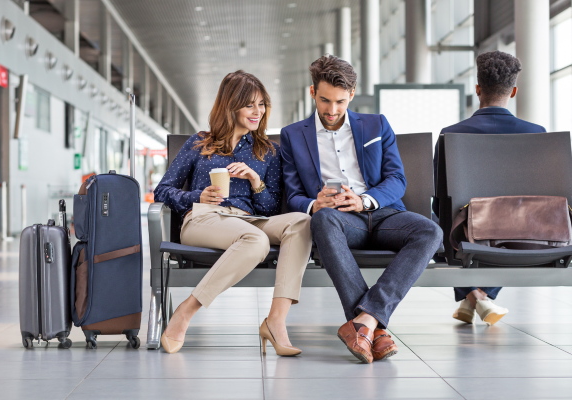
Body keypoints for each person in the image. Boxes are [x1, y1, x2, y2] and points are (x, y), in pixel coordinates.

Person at [280, 55, 442, 364]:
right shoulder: (293, 134)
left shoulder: (376, 124)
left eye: (340, 101)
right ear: (312, 92)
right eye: (325, 100)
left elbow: (397, 179)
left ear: (351, 94)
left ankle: (364, 323)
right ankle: (374, 327)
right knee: (323, 219)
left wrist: (365, 200)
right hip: (339, 221)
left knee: (430, 230)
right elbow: (293, 195)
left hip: (383, 215)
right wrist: (315, 203)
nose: (332, 110)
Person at [154, 71, 312, 356]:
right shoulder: (200, 143)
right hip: (203, 217)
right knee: (256, 241)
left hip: (247, 220)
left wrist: (255, 181)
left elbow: (269, 209)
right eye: (250, 104)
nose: (258, 112)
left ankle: (275, 321)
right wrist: (195, 196)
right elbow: (162, 190)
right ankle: (185, 312)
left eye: (261, 104)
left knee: (302, 222)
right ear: (230, 105)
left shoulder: (267, 151)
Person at [434, 50, 546, 326]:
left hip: (467, 236)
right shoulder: (537, 134)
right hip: (525, 236)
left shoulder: (451, 134)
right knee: (505, 231)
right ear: (514, 91)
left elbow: (439, 203)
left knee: (453, 230)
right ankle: (480, 296)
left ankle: (474, 295)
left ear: (477, 89)